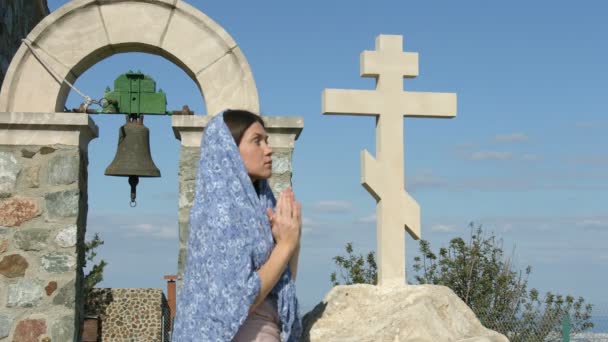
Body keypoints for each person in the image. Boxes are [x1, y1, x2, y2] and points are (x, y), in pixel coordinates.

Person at [171, 109, 302, 342]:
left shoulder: (262, 207)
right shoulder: (218, 214)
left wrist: (292, 237)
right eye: (257, 141)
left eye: (267, 141)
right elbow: (240, 297)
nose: (268, 150)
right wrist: (285, 246)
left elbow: (285, 280)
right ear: (229, 151)